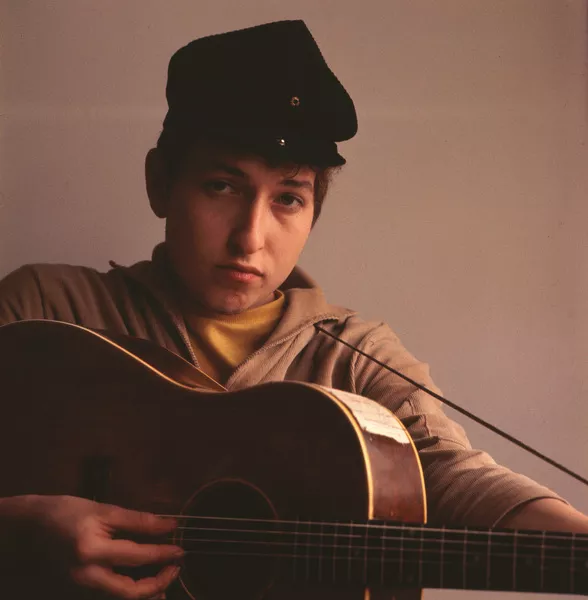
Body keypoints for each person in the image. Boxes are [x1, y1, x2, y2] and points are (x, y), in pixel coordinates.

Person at [0, 19, 586, 600]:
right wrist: (17, 531)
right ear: (160, 182)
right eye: (222, 186)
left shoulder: (357, 358)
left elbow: (453, 474)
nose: (250, 238)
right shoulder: (45, 312)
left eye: (287, 198)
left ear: (313, 215)